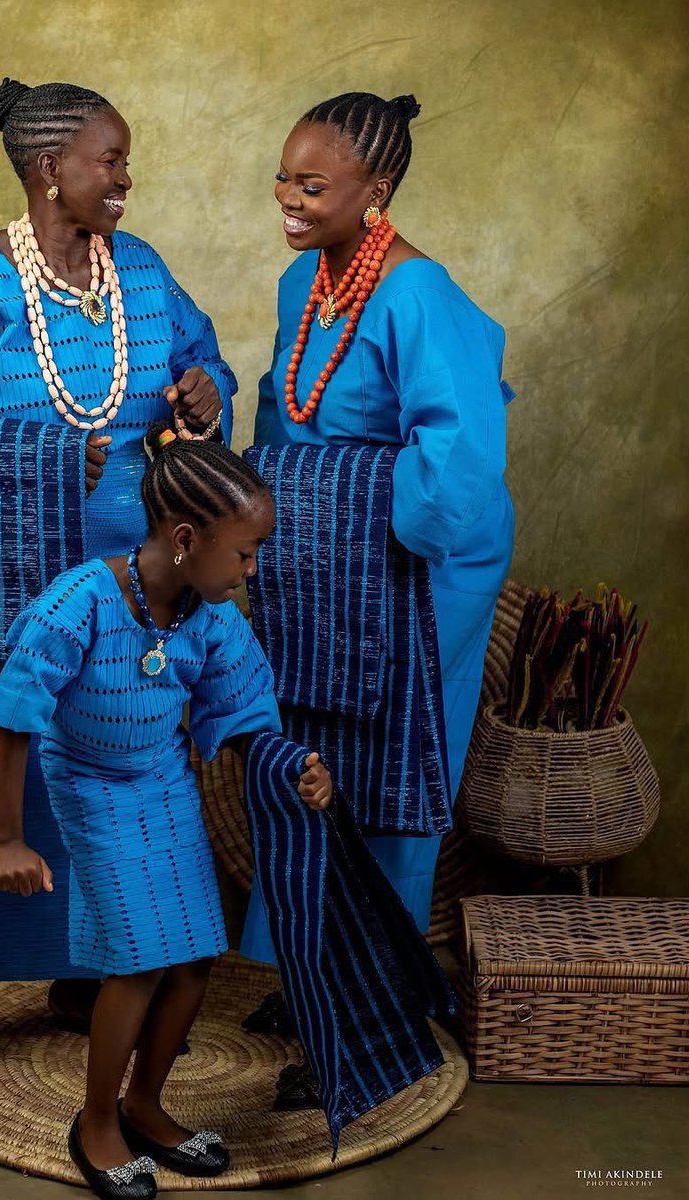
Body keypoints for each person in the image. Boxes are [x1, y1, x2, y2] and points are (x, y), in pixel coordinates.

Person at [0, 77, 236, 1114]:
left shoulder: (143, 273)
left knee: (111, 796)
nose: (125, 177)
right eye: (110, 159)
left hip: (134, 597)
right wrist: (25, 471)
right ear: (48, 169)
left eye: (124, 159)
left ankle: (84, 976)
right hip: (5, 591)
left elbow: (201, 363)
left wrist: (210, 390)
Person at [0, 426, 332, 1198]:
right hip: (88, 781)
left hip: (162, 779)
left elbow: (247, 719)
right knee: (138, 960)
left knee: (196, 951)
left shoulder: (210, 621)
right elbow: (14, 714)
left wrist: (297, 767)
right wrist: (9, 837)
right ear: (185, 539)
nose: (251, 570)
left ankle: (146, 1103)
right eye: (244, 553)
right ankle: (97, 1121)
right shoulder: (81, 601)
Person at [242, 91, 515, 1070]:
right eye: (282, 178)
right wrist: (264, 525)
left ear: (379, 188)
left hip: (416, 565)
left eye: (312, 186)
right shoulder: (301, 285)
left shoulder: (418, 294)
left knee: (393, 766)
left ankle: (374, 997)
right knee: (305, 758)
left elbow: (461, 460)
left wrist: (366, 532)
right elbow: (286, 419)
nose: (287, 199)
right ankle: (300, 971)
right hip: (322, 560)